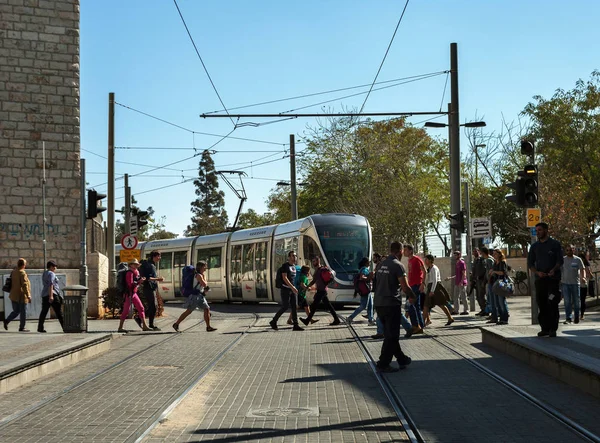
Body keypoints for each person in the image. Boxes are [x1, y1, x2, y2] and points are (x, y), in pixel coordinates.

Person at [373, 241, 414, 373]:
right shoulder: (398, 265)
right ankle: (383, 363)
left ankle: (401, 359)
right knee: (392, 336)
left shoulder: (380, 264)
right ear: (400, 251)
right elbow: (405, 286)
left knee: (390, 334)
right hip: (391, 304)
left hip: (379, 303)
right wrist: (413, 296)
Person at [528, 222, 564, 338]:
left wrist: (554, 270)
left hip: (552, 280)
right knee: (542, 303)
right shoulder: (534, 247)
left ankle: (553, 329)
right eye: (536, 230)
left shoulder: (555, 244)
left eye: (540, 230)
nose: (538, 232)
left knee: (552, 302)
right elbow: (530, 264)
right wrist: (537, 272)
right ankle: (545, 328)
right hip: (540, 280)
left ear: (546, 230)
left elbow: (560, 261)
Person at [173, 261, 217, 332]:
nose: (205, 268)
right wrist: (204, 278)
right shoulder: (198, 275)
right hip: (194, 296)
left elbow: (203, 285)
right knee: (188, 311)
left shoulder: (200, 275)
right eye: (204, 266)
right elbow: (204, 284)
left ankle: (208, 327)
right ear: (201, 267)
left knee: (207, 309)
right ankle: (176, 324)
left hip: (199, 295)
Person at [300, 256, 340, 327]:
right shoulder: (321, 269)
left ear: (318, 261)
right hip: (323, 290)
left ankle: (307, 320)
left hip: (321, 291)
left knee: (314, 306)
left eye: (314, 261)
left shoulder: (319, 270)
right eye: (313, 261)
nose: (313, 263)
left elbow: (313, 280)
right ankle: (336, 319)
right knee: (328, 306)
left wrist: (307, 287)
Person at [270, 251, 303, 331]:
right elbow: (285, 278)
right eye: (292, 256)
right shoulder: (285, 266)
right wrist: (292, 287)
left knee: (294, 307)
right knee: (285, 306)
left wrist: (295, 287)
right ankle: (273, 321)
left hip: (292, 289)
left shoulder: (294, 266)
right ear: (288, 257)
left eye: (295, 256)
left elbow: (293, 279)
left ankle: (296, 325)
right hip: (285, 289)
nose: (294, 257)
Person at [118, 259, 151, 333]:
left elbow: (135, 283)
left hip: (133, 293)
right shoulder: (129, 273)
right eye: (134, 264)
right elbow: (130, 284)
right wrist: (140, 281)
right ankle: (120, 327)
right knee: (126, 310)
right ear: (131, 265)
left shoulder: (135, 272)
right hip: (129, 294)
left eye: (136, 264)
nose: (136, 265)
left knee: (141, 308)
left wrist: (140, 281)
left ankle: (145, 326)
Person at [422, 255, 454, 326]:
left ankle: (450, 317)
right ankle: (423, 322)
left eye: (426, 259)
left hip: (435, 288)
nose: (425, 261)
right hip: (431, 287)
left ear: (430, 260)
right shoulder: (429, 268)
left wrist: (432, 291)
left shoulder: (434, 268)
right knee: (426, 305)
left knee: (440, 304)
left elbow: (435, 280)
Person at [4, 258, 31, 332]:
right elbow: (25, 285)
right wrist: (28, 295)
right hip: (21, 295)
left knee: (16, 310)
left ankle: (7, 321)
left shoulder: (14, 272)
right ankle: (22, 327)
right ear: (23, 265)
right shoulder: (22, 273)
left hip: (13, 295)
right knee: (23, 311)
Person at [139, 250, 164, 331]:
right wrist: (158, 279)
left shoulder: (150, 264)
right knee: (153, 306)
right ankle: (150, 324)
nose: (160, 258)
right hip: (149, 288)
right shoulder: (151, 265)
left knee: (152, 306)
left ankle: (143, 321)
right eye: (158, 256)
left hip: (149, 288)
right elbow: (148, 278)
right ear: (154, 256)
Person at [38, 260, 65, 333]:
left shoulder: (45, 273)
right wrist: (51, 296)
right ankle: (65, 327)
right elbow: (51, 284)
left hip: (44, 294)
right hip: (52, 294)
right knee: (59, 312)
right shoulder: (51, 274)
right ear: (50, 267)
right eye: (54, 266)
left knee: (44, 312)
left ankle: (40, 327)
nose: (55, 267)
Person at [403, 244, 425, 332]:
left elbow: (424, 271)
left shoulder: (417, 259)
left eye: (406, 250)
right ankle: (420, 325)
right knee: (415, 305)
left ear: (410, 251)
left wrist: (423, 283)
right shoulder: (409, 260)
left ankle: (416, 325)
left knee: (411, 304)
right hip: (411, 286)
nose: (404, 252)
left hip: (416, 285)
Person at [561, 245, 585, 324]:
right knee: (567, 302)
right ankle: (568, 318)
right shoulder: (563, 260)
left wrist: (583, 278)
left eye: (571, 250)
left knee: (576, 301)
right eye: (567, 250)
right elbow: (559, 270)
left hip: (575, 283)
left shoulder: (578, 259)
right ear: (566, 251)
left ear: (573, 250)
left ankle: (577, 317)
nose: (569, 252)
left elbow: (582, 269)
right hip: (565, 284)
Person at [347, 257, 374, 324]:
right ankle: (350, 317)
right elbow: (362, 277)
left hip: (367, 290)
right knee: (363, 306)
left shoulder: (362, 269)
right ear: (366, 263)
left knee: (370, 305)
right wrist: (369, 277)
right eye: (369, 262)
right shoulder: (364, 269)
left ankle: (371, 319)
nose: (369, 263)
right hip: (365, 290)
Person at [490, 249, 510, 325]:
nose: (494, 255)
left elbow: (503, 272)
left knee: (502, 301)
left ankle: (505, 319)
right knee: (497, 302)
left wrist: (494, 272)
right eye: (493, 254)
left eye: (495, 254)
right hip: (495, 284)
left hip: (501, 284)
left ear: (499, 254)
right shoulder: (495, 262)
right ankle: (501, 318)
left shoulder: (502, 262)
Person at [447, 251, 469, 315]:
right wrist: (451, 278)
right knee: (456, 297)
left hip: (462, 283)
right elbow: (457, 274)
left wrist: (461, 282)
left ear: (459, 255)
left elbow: (464, 273)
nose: (455, 256)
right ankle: (456, 310)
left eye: (456, 255)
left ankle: (466, 310)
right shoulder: (457, 263)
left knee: (463, 297)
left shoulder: (462, 263)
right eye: (454, 255)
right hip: (457, 283)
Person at [471, 248, 488, 316]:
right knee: (478, 296)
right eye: (473, 251)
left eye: (476, 251)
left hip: (481, 280)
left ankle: (485, 310)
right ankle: (482, 309)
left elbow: (484, 270)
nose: (475, 252)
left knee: (481, 296)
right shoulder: (475, 260)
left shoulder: (481, 259)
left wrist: (483, 279)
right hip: (476, 280)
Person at [481, 247, 496, 321]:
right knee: (490, 299)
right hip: (490, 281)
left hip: (492, 282)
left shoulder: (489, 260)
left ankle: (494, 315)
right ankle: (493, 314)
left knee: (492, 299)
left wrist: (489, 280)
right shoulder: (488, 259)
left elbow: (491, 271)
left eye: (481, 253)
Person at [579, 251, 592, 320]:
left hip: (583, 284)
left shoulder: (586, 266)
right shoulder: (576, 265)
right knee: (578, 300)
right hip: (576, 284)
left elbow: (591, 276)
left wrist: (588, 273)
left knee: (582, 300)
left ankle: (582, 314)